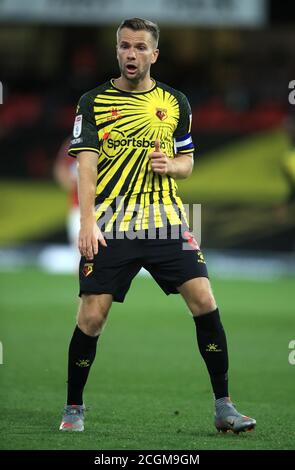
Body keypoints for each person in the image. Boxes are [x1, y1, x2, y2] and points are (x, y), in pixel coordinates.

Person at [59, 18, 256, 434]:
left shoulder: (176, 102)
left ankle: (225, 406)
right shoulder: (92, 101)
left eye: (140, 47)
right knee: (92, 317)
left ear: (154, 54)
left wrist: (174, 166)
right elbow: (86, 168)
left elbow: (188, 161)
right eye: (125, 46)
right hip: (112, 224)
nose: (132, 54)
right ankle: (74, 406)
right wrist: (87, 222)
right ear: (117, 51)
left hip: (166, 221)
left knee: (204, 300)